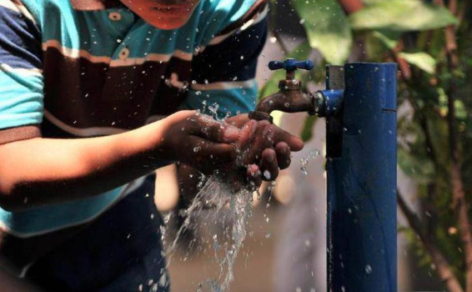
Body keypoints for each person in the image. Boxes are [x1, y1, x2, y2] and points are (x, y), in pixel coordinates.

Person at [0, 0, 304, 291]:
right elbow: (8, 169)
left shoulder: (229, 6)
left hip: (115, 224)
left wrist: (232, 153)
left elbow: (199, 183)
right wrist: (160, 145)